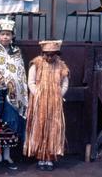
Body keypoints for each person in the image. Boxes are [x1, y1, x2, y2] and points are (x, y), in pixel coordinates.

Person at [0, 17, 28, 171]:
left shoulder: (17, 52)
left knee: (10, 125)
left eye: (8, 34)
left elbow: (20, 72)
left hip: (14, 94)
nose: (6, 37)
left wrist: (18, 87)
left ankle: (8, 155)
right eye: (3, 34)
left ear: (12, 36)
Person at [23, 40, 69, 171]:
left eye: (52, 54)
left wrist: (59, 94)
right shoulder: (36, 64)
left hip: (55, 103)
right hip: (39, 102)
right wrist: (37, 94)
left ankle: (49, 158)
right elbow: (31, 82)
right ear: (42, 53)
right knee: (40, 126)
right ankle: (40, 157)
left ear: (57, 54)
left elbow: (65, 83)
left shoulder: (61, 66)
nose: (49, 57)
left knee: (52, 127)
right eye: (46, 54)